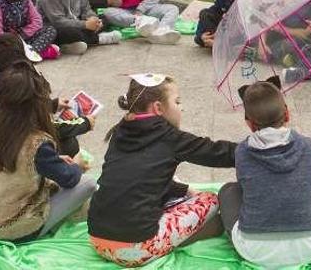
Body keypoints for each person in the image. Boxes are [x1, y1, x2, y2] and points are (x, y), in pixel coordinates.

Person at [88, 73, 236, 267]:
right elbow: (217, 152)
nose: (181, 107)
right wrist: (258, 149)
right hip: (135, 249)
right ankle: (198, 233)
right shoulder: (170, 138)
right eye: (177, 101)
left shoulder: (120, 131)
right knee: (210, 200)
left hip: (97, 240)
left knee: (168, 191)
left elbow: (143, 176)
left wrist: (183, 190)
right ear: (158, 108)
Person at [0, 61, 97, 241]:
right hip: (17, 228)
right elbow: (69, 179)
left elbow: (16, 164)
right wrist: (77, 165)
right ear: (36, 104)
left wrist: (55, 160)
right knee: (88, 184)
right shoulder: (35, 143)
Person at [218, 78, 311, 269]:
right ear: (287, 114)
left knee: (228, 191)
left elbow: (245, 188)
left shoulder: (242, 152)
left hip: (254, 250)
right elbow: (310, 180)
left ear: (250, 124)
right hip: (310, 247)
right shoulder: (308, 146)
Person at [0, 34, 94, 185]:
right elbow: (67, 175)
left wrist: (51, 105)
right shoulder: (31, 140)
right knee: (69, 145)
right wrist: (84, 125)